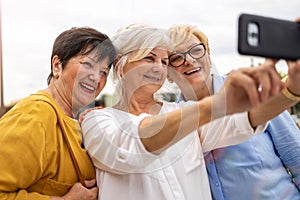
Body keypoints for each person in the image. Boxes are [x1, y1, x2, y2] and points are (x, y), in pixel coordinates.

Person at [80, 24, 298, 200]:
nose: (159, 68)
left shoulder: (184, 111)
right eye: (149, 57)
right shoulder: (97, 121)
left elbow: (245, 119)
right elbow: (137, 141)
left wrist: (291, 88)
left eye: (164, 61)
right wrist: (217, 103)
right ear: (120, 63)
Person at [167, 24, 300, 199]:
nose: (190, 60)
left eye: (196, 50)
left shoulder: (250, 90)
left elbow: (295, 155)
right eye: (176, 57)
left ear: (208, 54)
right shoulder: (171, 123)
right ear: (167, 73)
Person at [0, 27, 116, 199]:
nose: (96, 78)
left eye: (103, 72)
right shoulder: (35, 115)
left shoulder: (73, 120)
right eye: (87, 64)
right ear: (57, 66)